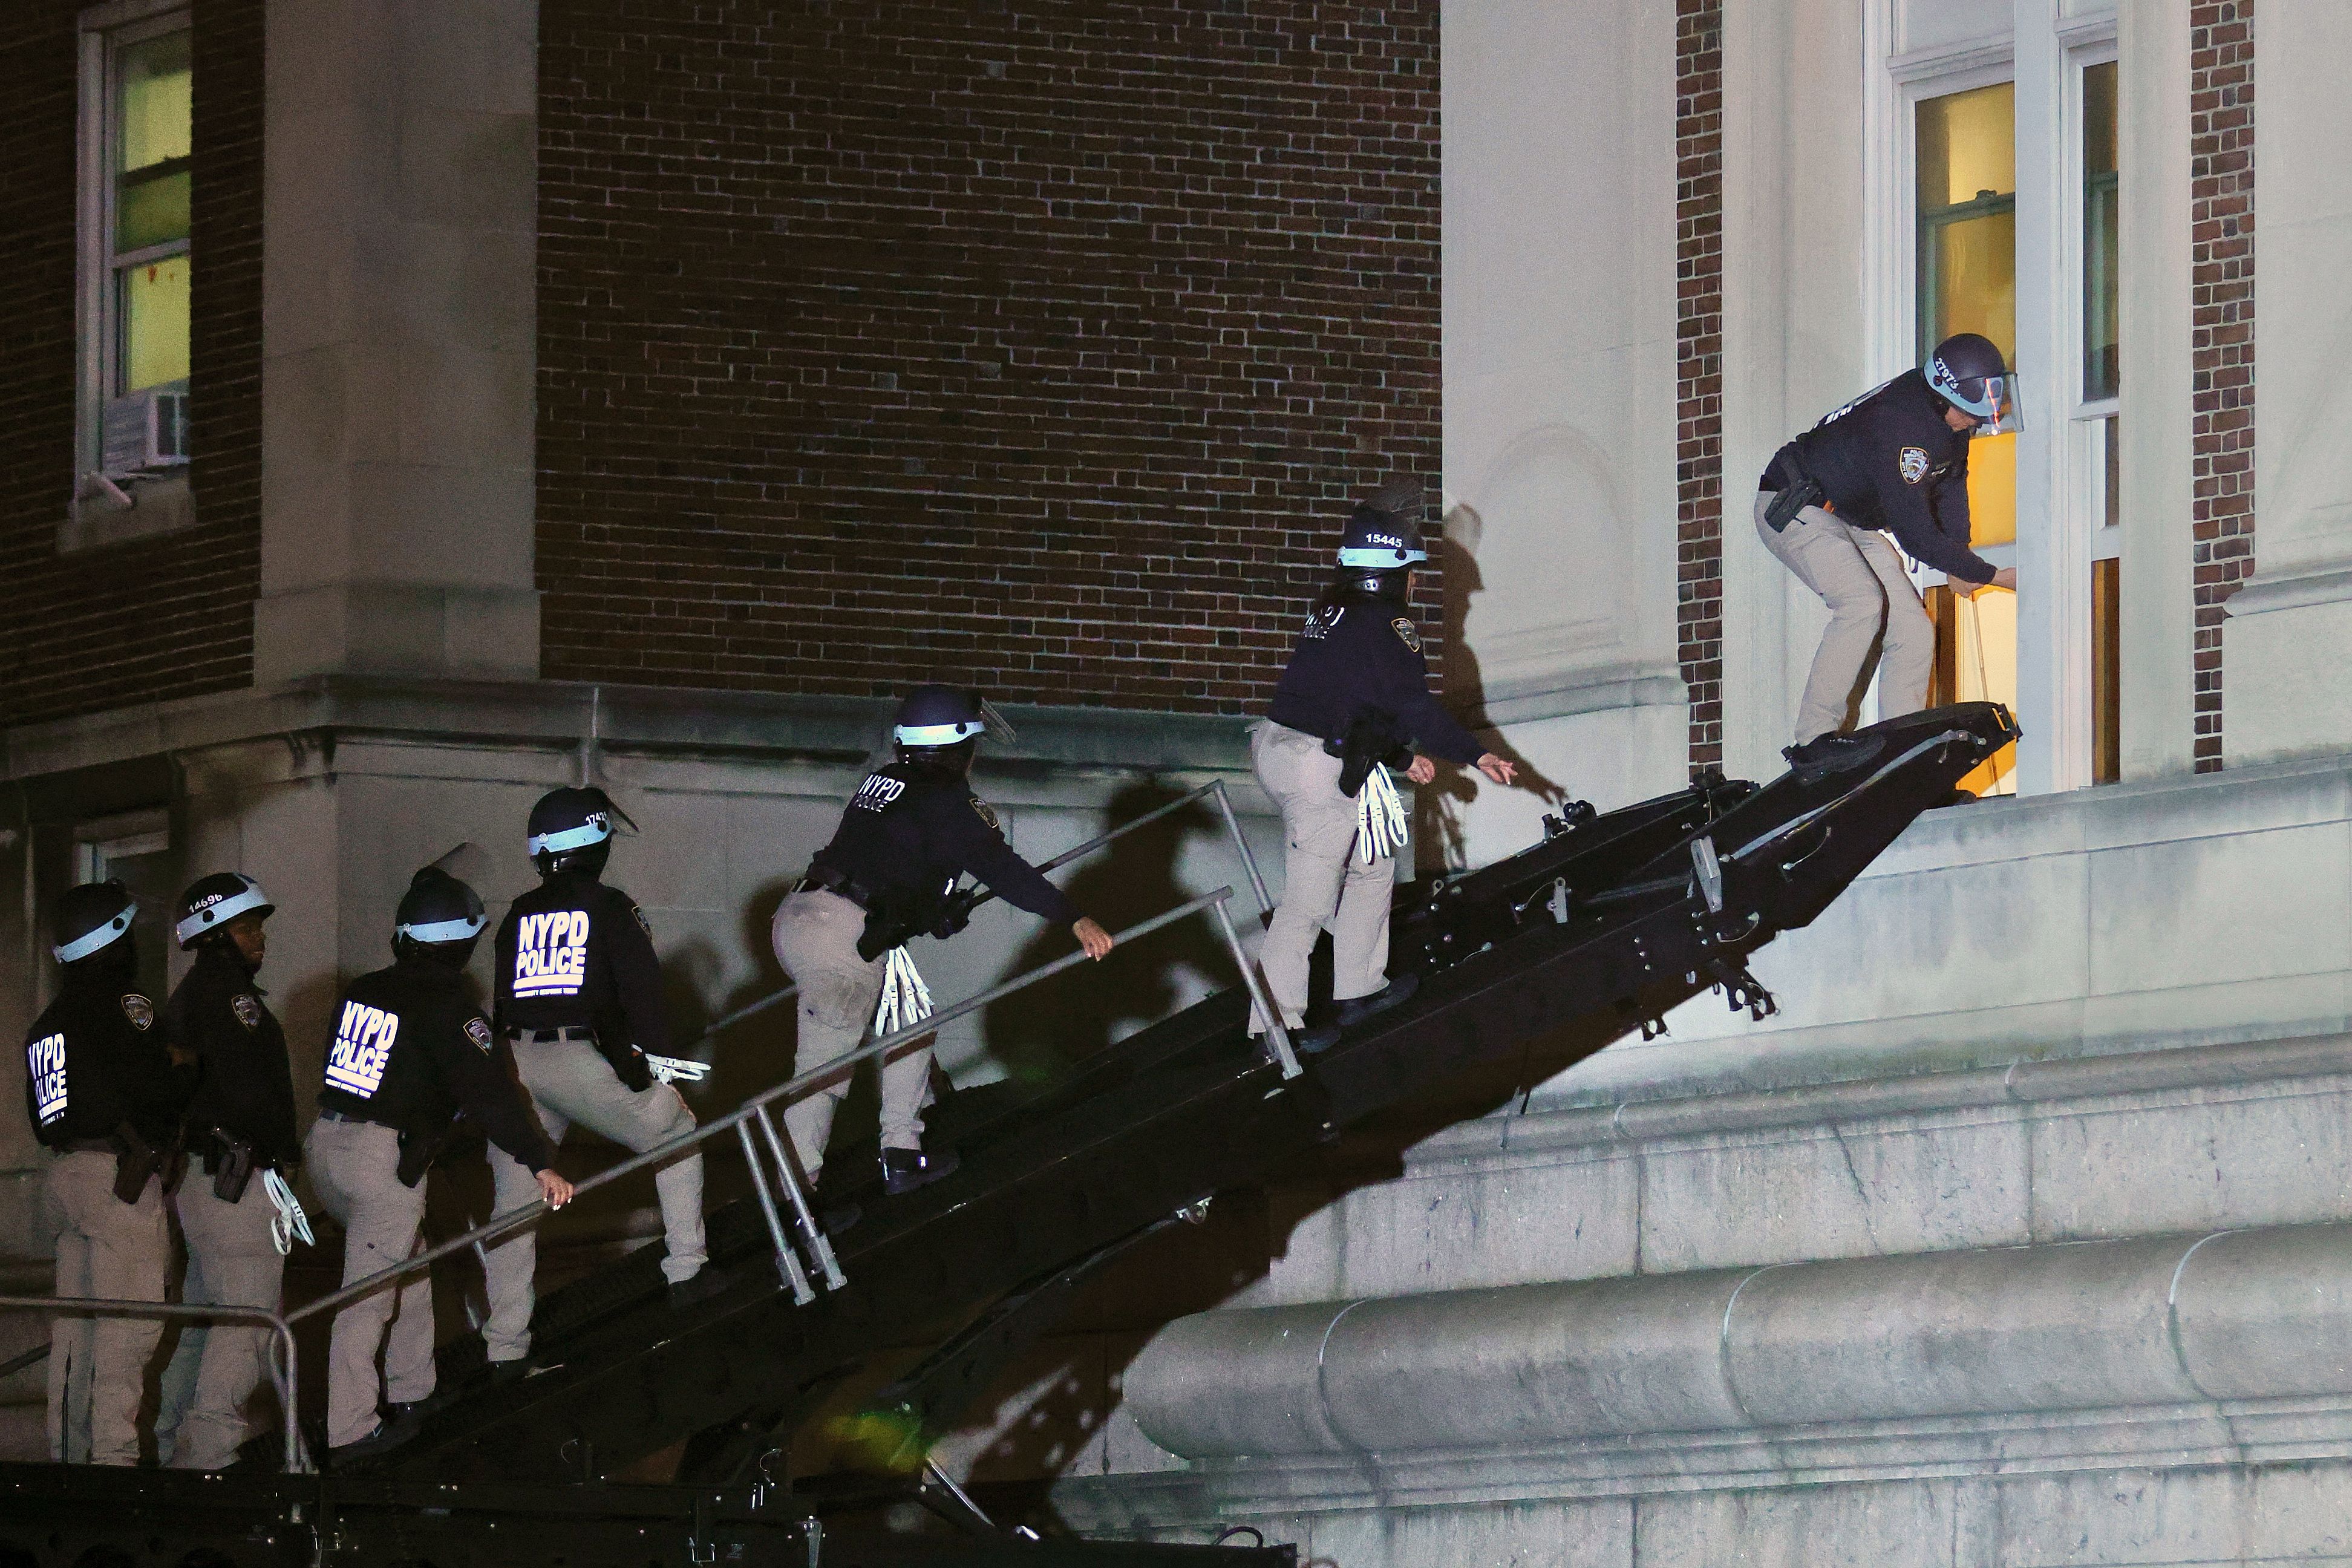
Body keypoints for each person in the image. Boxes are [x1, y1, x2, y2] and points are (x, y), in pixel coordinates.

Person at [773, 687, 1113, 1197]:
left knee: (912, 1021)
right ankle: (795, 1198)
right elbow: (1004, 870)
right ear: (958, 747)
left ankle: (903, 1155)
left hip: (809, 915)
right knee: (824, 1066)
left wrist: (928, 906)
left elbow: (890, 859)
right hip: (844, 932)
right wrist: (1074, 918)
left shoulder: (885, 781)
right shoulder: (948, 799)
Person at [305, 865, 571, 1458]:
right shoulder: (452, 1004)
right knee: (368, 1297)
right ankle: (351, 1428)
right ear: (462, 942)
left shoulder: (365, 989)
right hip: (381, 1161)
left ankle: (412, 1391)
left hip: (326, 1147)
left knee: (408, 1268)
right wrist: (538, 1160)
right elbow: (489, 1093)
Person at [1256, 479, 1516, 1053]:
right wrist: (1477, 753)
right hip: (1315, 762)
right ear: (1390, 573)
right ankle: (1276, 1031)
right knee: (1308, 900)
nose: (1418, 583)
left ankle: (1358, 989)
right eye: (1412, 571)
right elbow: (1410, 703)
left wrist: (1401, 756)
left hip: (1299, 746)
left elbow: (1354, 701)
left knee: (1373, 863)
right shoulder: (1388, 625)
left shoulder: (1334, 613)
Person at [481, 786, 711, 1373]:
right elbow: (641, 994)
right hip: (577, 1059)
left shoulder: (519, 913)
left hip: (515, 1059)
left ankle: (505, 1345)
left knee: (514, 1204)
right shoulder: (610, 907)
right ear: (596, 843)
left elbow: (507, 997)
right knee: (677, 1135)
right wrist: (650, 1064)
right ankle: (687, 1270)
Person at [1756, 332, 2022, 775]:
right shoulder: (1904, 425)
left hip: (1847, 519)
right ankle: (1813, 743)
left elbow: (1953, 481)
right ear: (1942, 400)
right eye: (1970, 416)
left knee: (1915, 631)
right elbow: (1915, 534)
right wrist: (1992, 575)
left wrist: (1959, 554)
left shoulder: (1948, 423)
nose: (1974, 425)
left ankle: (1904, 758)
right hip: (1792, 502)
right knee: (1862, 602)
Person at [21, 881, 189, 1465]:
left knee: (75, 1332)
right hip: (116, 1179)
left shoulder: (48, 1022)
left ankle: (68, 1457)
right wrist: (183, 1077)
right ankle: (115, 1462)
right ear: (113, 938)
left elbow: (44, 1113)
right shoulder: (126, 1004)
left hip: (65, 1175)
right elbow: (155, 1089)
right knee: (132, 1326)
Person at [154, 873, 301, 1471]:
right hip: (235, 1176)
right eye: (246, 928)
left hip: (207, 1178)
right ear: (214, 935)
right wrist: (279, 1158)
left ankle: (171, 1443)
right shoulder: (229, 999)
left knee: (202, 1321)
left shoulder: (195, 995)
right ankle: (208, 1456)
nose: (259, 939)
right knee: (247, 1321)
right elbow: (250, 1094)